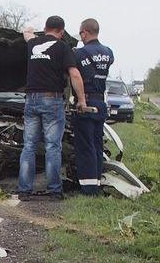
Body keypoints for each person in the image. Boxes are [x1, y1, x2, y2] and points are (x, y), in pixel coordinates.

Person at [17, 16, 92, 200]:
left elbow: (26, 33)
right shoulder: (62, 47)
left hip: (31, 100)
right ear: (61, 31)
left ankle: (24, 191)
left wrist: (33, 31)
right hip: (52, 100)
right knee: (52, 146)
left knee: (29, 146)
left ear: (45, 28)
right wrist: (82, 100)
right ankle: (54, 191)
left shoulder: (33, 44)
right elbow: (74, 73)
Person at [72, 19, 114, 196]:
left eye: (81, 33)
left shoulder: (79, 53)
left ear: (84, 32)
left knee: (85, 145)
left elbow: (76, 76)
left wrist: (80, 100)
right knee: (97, 144)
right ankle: (96, 182)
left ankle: (88, 189)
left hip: (86, 103)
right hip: (100, 103)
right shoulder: (108, 52)